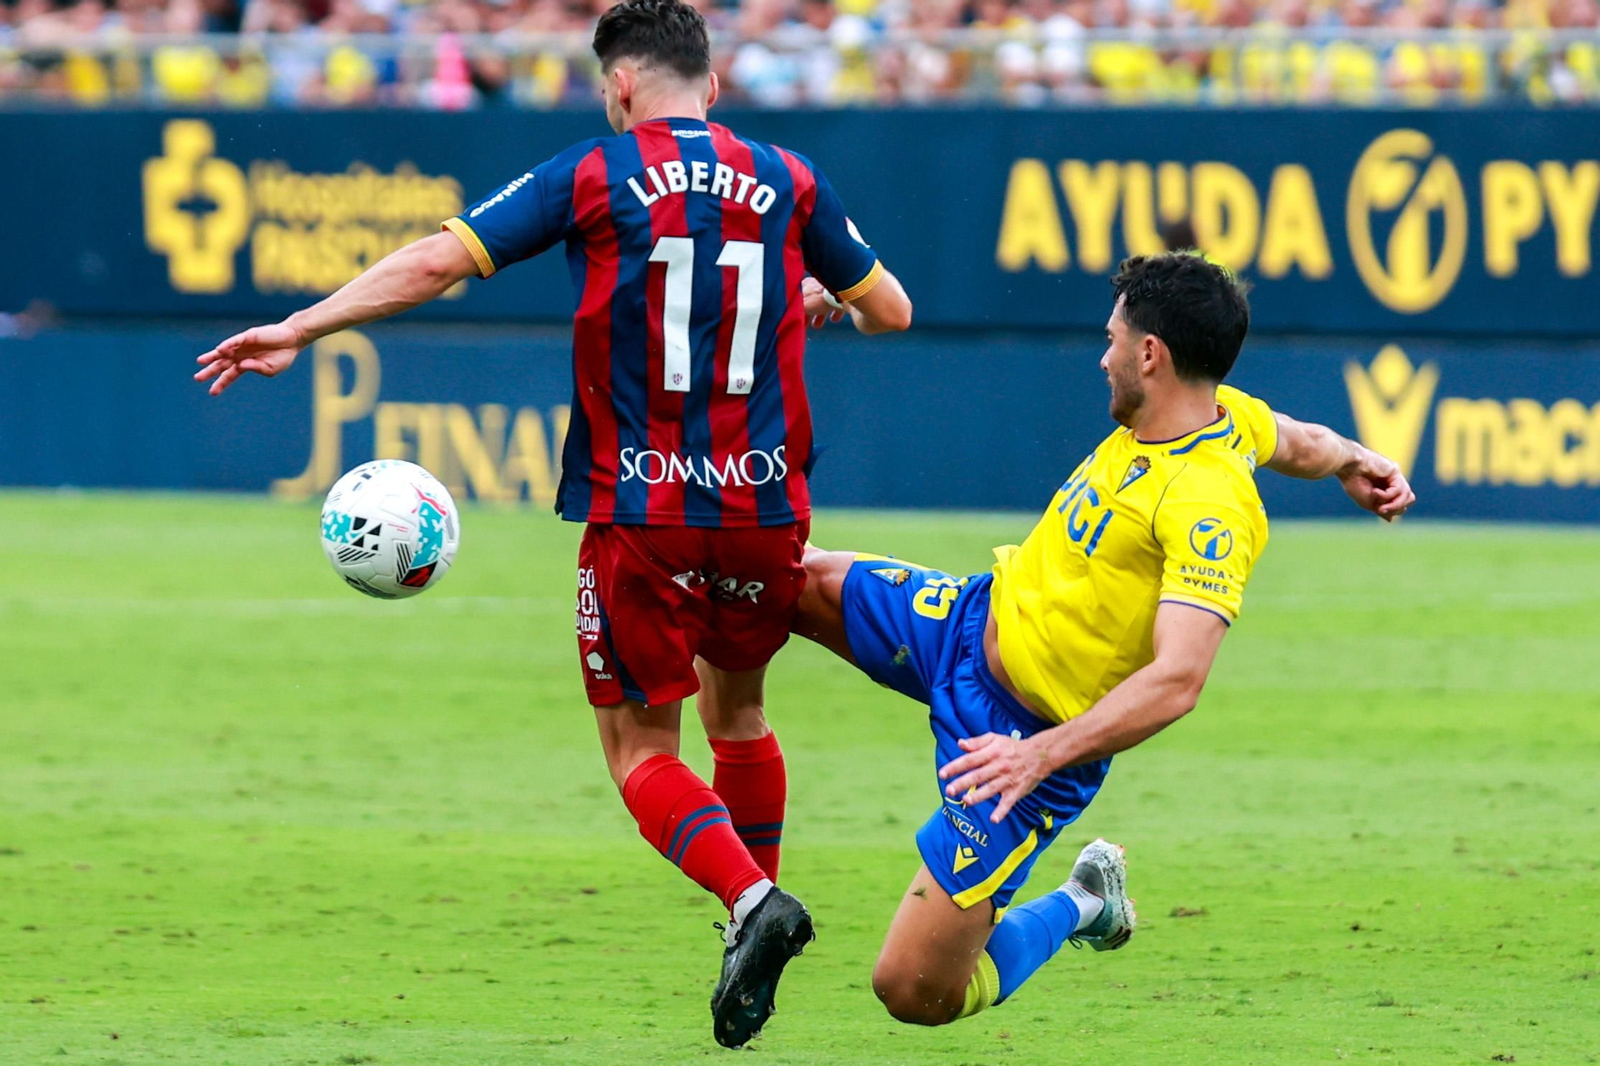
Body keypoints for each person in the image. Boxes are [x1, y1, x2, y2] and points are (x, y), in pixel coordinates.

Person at [192, 0, 913, 1047]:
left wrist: (301, 325)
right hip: (763, 504)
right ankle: (747, 921)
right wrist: (811, 293)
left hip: (644, 509)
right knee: (740, 718)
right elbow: (890, 307)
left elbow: (439, 262)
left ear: (619, 87)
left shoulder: (593, 173)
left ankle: (753, 903)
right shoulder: (790, 177)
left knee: (638, 750)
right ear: (711, 86)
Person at [779, 252, 1413, 1026]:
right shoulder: (1226, 414)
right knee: (784, 580)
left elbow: (1179, 679)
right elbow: (1296, 439)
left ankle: (1081, 902)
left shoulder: (1209, 501)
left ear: (1152, 354)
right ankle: (740, 887)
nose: (1102, 354)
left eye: (1114, 338)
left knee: (915, 991)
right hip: (973, 622)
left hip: (1025, 741)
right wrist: (1357, 459)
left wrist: (1038, 755)